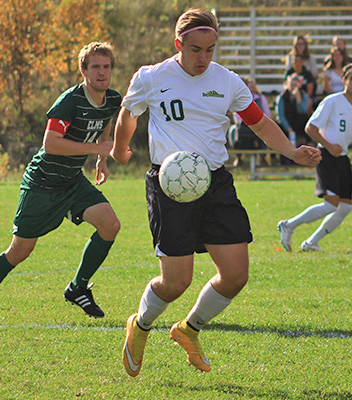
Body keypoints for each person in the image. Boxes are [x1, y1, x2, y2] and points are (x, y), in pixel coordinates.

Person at [110, 8, 321, 377]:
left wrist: (291, 151)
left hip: (215, 182)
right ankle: (140, 326)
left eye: (210, 49)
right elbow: (129, 114)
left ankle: (188, 329)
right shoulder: (151, 77)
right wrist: (120, 147)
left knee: (236, 274)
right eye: (195, 49)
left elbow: (259, 122)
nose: (203, 57)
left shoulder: (227, 81)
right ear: (179, 44)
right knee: (176, 281)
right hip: (169, 185)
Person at [0, 42, 122, 324]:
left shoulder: (111, 99)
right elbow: (50, 145)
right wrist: (99, 150)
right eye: (95, 67)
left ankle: (78, 288)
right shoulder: (69, 102)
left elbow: (104, 124)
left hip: (72, 181)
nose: (102, 72)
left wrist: (102, 160)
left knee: (110, 225)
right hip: (42, 183)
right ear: (83, 71)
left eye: (106, 66)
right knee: (20, 251)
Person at [278, 64, 352, 252]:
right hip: (326, 156)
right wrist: (329, 146)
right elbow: (310, 128)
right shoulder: (332, 101)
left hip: (343, 158)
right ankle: (288, 225)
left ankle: (311, 242)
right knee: (331, 205)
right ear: (344, 80)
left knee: (345, 207)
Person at [231, 76, 272, 166]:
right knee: (233, 130)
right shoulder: (239, 99)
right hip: (244, 126)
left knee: (265, 130)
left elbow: (267, 114)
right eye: (250, 86)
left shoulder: (261, 99)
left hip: (259, 125)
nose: (252, 89)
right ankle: (238, 156)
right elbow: (237, 117)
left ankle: (262, 157)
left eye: (253, 86)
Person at [275, 74, 310, 145]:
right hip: (286, 123)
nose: (293, 87)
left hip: (297, 122)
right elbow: (280, 115)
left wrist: (298, 99)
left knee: (304, 118)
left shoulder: (304, 96)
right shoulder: (281, 97)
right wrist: (289, 129)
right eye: (291, 85)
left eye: (295, 85)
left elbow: (302, 112)